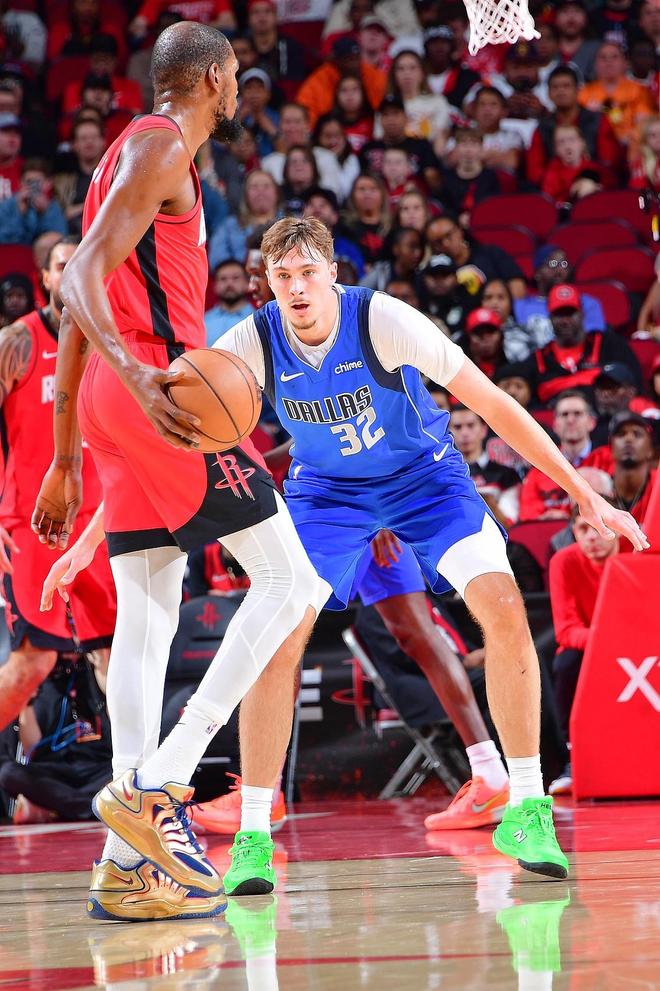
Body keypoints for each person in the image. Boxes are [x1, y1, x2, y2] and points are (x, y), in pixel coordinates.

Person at [32, 23, 328, 922]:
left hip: (115, 401)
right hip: (164, 391)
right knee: (293, 580)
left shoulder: (127, 154)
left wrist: (68, 452)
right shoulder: (162, 146)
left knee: (149, 615)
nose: (240, 88)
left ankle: (127, 864)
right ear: (208, 77)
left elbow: (80, 301)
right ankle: (160, 784)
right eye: (234, 74)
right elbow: (77, 280)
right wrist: (136, 378)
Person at [0, 237, 116, 734]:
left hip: (100, 524)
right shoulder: (17, 343)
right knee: (32, 664)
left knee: (115, 654)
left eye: (79, 264)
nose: (71, 273)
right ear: (44, 278)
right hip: (31, 525)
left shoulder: (114, 340)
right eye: (61, 266)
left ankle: (136, 773)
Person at [547, 504, 619, 796]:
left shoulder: (637, 557)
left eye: (600, 527)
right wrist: (609, 641)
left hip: (636, 649)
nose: (591, 536)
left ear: (619, 528)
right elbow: (565, 631)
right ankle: (573, 761)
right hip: (592, 649)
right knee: (566, 663)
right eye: (583, 528)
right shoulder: (563, 561)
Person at [522, 284, 642, 406]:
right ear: (550, 317)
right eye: (559, 314)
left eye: (570, 313)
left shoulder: (609, 344)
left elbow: (634, 385)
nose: (565, 321)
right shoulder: (539, 359)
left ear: (582, 314)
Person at [526, 66, 623, 187]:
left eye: (566, 86)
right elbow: (535, 173)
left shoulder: (598, 121)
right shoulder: (543, 128)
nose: (561, 91)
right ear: (549, 93)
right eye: (555, 87)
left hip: (594, 186)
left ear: (578, 90)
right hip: (555, 187)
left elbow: (609, 162)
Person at [520, 390, 599, 522]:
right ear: (555, 425)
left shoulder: (607, 461)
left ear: (591, 422)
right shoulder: (540, 470)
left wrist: (568, 518)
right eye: (564, 414)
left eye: (577, 414)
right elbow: (528, 517)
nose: (570, 420)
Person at [514, 246, 606, 345]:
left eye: (563, 264)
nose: (559, 271)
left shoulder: (587, 303)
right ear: (537, 273)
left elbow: (593, 341)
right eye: (552, 264)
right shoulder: (520, 307)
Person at [425, 214, 527, 300]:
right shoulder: (436, 272)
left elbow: (517, 285)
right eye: (438, 242)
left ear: (460, 230)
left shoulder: (491, 254)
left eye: (449, 235)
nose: (446, 243)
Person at [449, 406, 521, 528]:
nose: (464, 433)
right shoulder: (443, 475)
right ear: (449, 433)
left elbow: (509, 522)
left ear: (483, 429)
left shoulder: (507, 475)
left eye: (470, 425)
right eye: (457, 427)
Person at [578, 41, 655, 150]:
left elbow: (645, 124)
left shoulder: (639, 90)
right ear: (595, 64)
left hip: (632, 147)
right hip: (594, 148)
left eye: (614, 57)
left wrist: (627, 138)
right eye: (603, 57)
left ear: (625, 63)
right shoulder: (584, 93)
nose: (608, 62)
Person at [208, 169, 281, 269]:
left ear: (276, 193)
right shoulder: (229, 226)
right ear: (246, 195)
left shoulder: (291, 223)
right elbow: (216, 259)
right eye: (254, 187)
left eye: (266, 186)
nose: (260, 191)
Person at [609, 410, 657, 552]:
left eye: (637, 434)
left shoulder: (658, 487)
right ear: (611, 447)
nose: (628, 439)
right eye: (621, 434)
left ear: (651, 450)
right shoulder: (597, 487)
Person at [0, 158, 67, 245]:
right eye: (29, 182)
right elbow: (4, 239)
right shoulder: (7, 206)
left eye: (37, 182)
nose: (32, 187)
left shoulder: (52, 207)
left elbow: (59, 239)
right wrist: (20, 214)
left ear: (48, 183)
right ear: (20, 182)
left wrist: (45, 213)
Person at [540, 125, 608, 204]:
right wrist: (571, 193)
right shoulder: (551, 174)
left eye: (572, 140)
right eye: (561, 142)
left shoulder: (598, 169)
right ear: (556, 149)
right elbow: (548, 203)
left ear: (582, 143)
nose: (567, 146)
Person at [312, 113, 361, 203]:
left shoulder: (352, 160)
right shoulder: (312, 157)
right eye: (327, 136)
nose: (333, 141)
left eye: (337, 135)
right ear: (318, 137)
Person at [204, 259, 254, 344]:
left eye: (235, 278)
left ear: (247, 283)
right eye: (223, 279)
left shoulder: (257, 319)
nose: (229, 284)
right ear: (215, 285)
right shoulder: (204, 321)